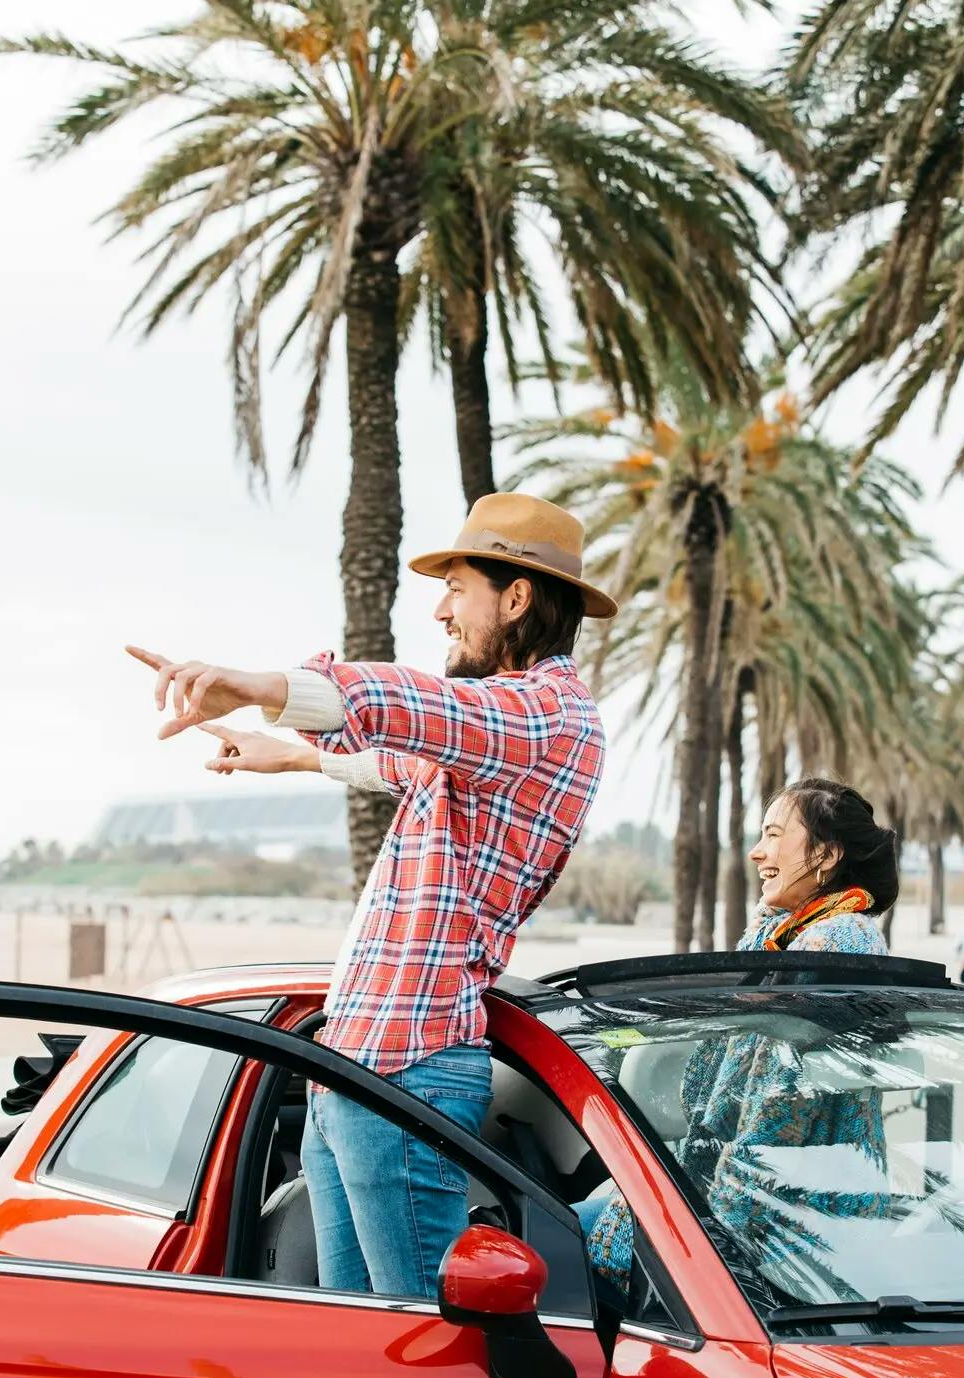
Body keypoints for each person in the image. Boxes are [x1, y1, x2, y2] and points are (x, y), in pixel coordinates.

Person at [128, 492, 613, 1299]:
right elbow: (394, 758)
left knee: (418, 1353)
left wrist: (258, 685)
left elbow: (406, 707)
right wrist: (285, 754)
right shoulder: (488, 739)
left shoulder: (547, 716)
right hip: (359, 1075)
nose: (440, 610)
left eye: (458, 588)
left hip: (408, 1074)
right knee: (358, 1344)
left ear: (517, 596)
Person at [579, 776, 899, 1305]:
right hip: (766, 1199)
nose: (757, 853)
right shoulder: (798, 933)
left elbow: (782, 1110)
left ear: (825, 854)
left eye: (774, 835)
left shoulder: (832, 941)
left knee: (564, 1254)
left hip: (780, 1220)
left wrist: (705, 1230)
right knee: (562, 1226)